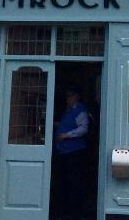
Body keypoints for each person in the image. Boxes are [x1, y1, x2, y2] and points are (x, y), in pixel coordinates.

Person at [54, 86, 90, 220]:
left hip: (74, 153)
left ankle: (75, 212)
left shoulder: (80, 110)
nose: (67, 98)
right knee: (66, 181)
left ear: (76, 97)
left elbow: (83, 129)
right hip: (65, 152)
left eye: (70, 95)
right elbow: (67, 124)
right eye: (67, 95)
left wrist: (66, 135)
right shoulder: (68, 110)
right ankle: (67, 210)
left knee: (74, 182)